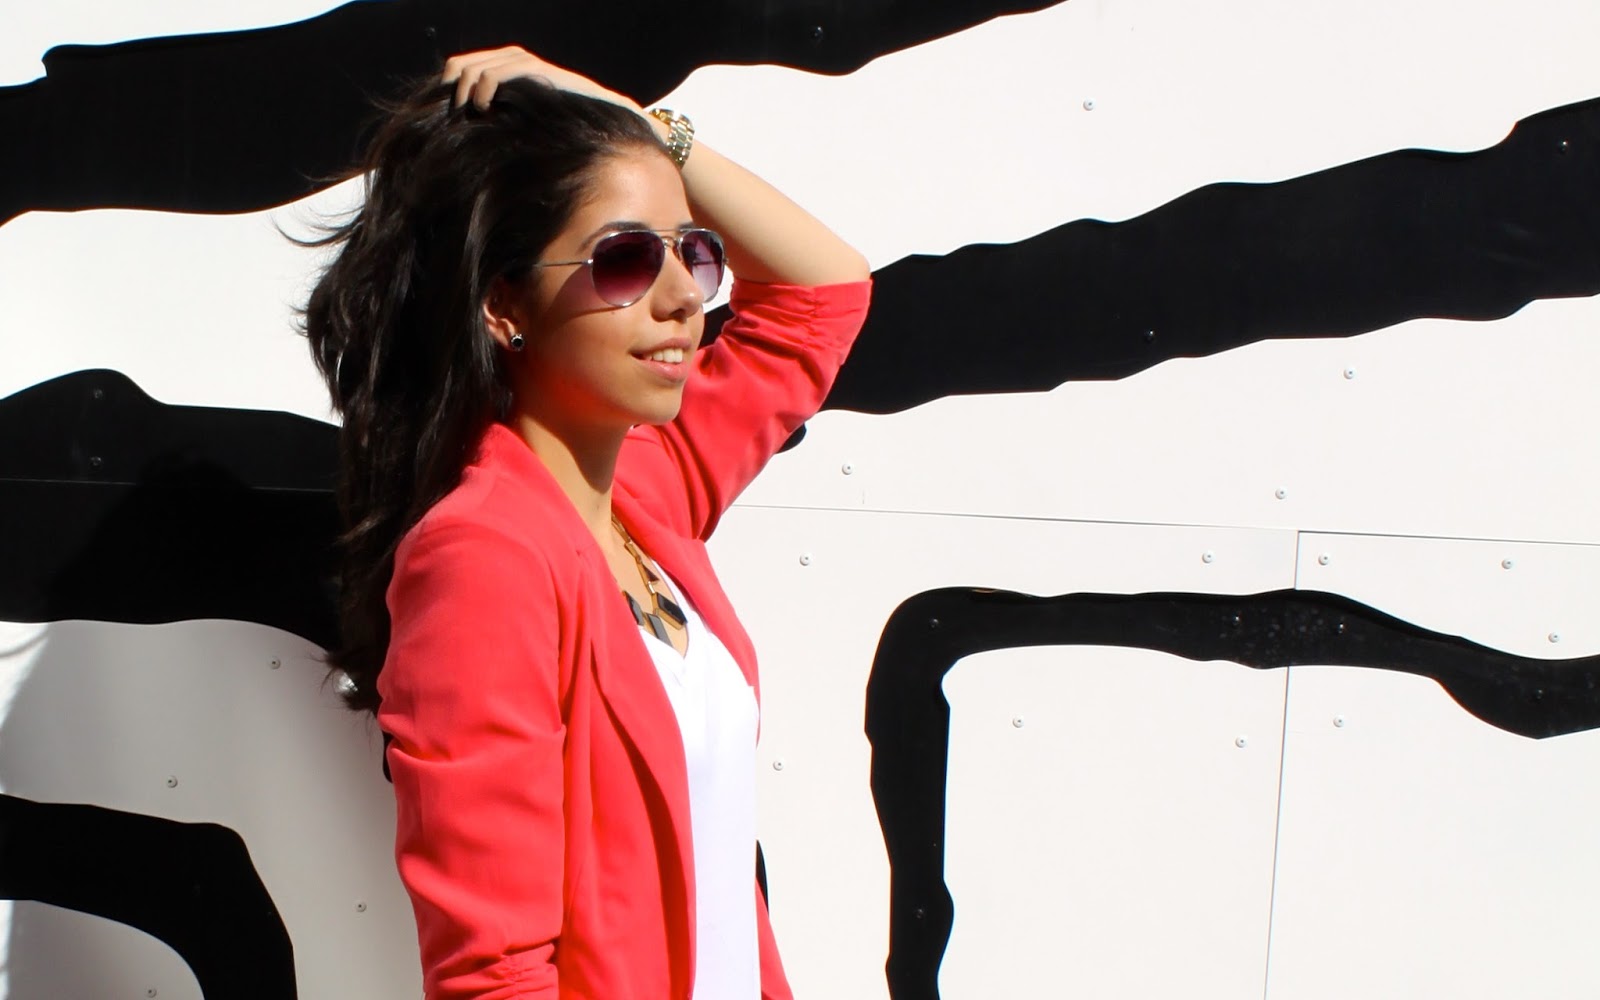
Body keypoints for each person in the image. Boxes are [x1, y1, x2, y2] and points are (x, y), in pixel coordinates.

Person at [301, 46, 872, 1000]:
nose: (684, 298)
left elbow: (825, 295)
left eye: (692, 253)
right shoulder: (483, 556)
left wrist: (635, 123)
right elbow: (494, 972)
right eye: (626, 260)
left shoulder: (649, 490)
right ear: (503, 304)